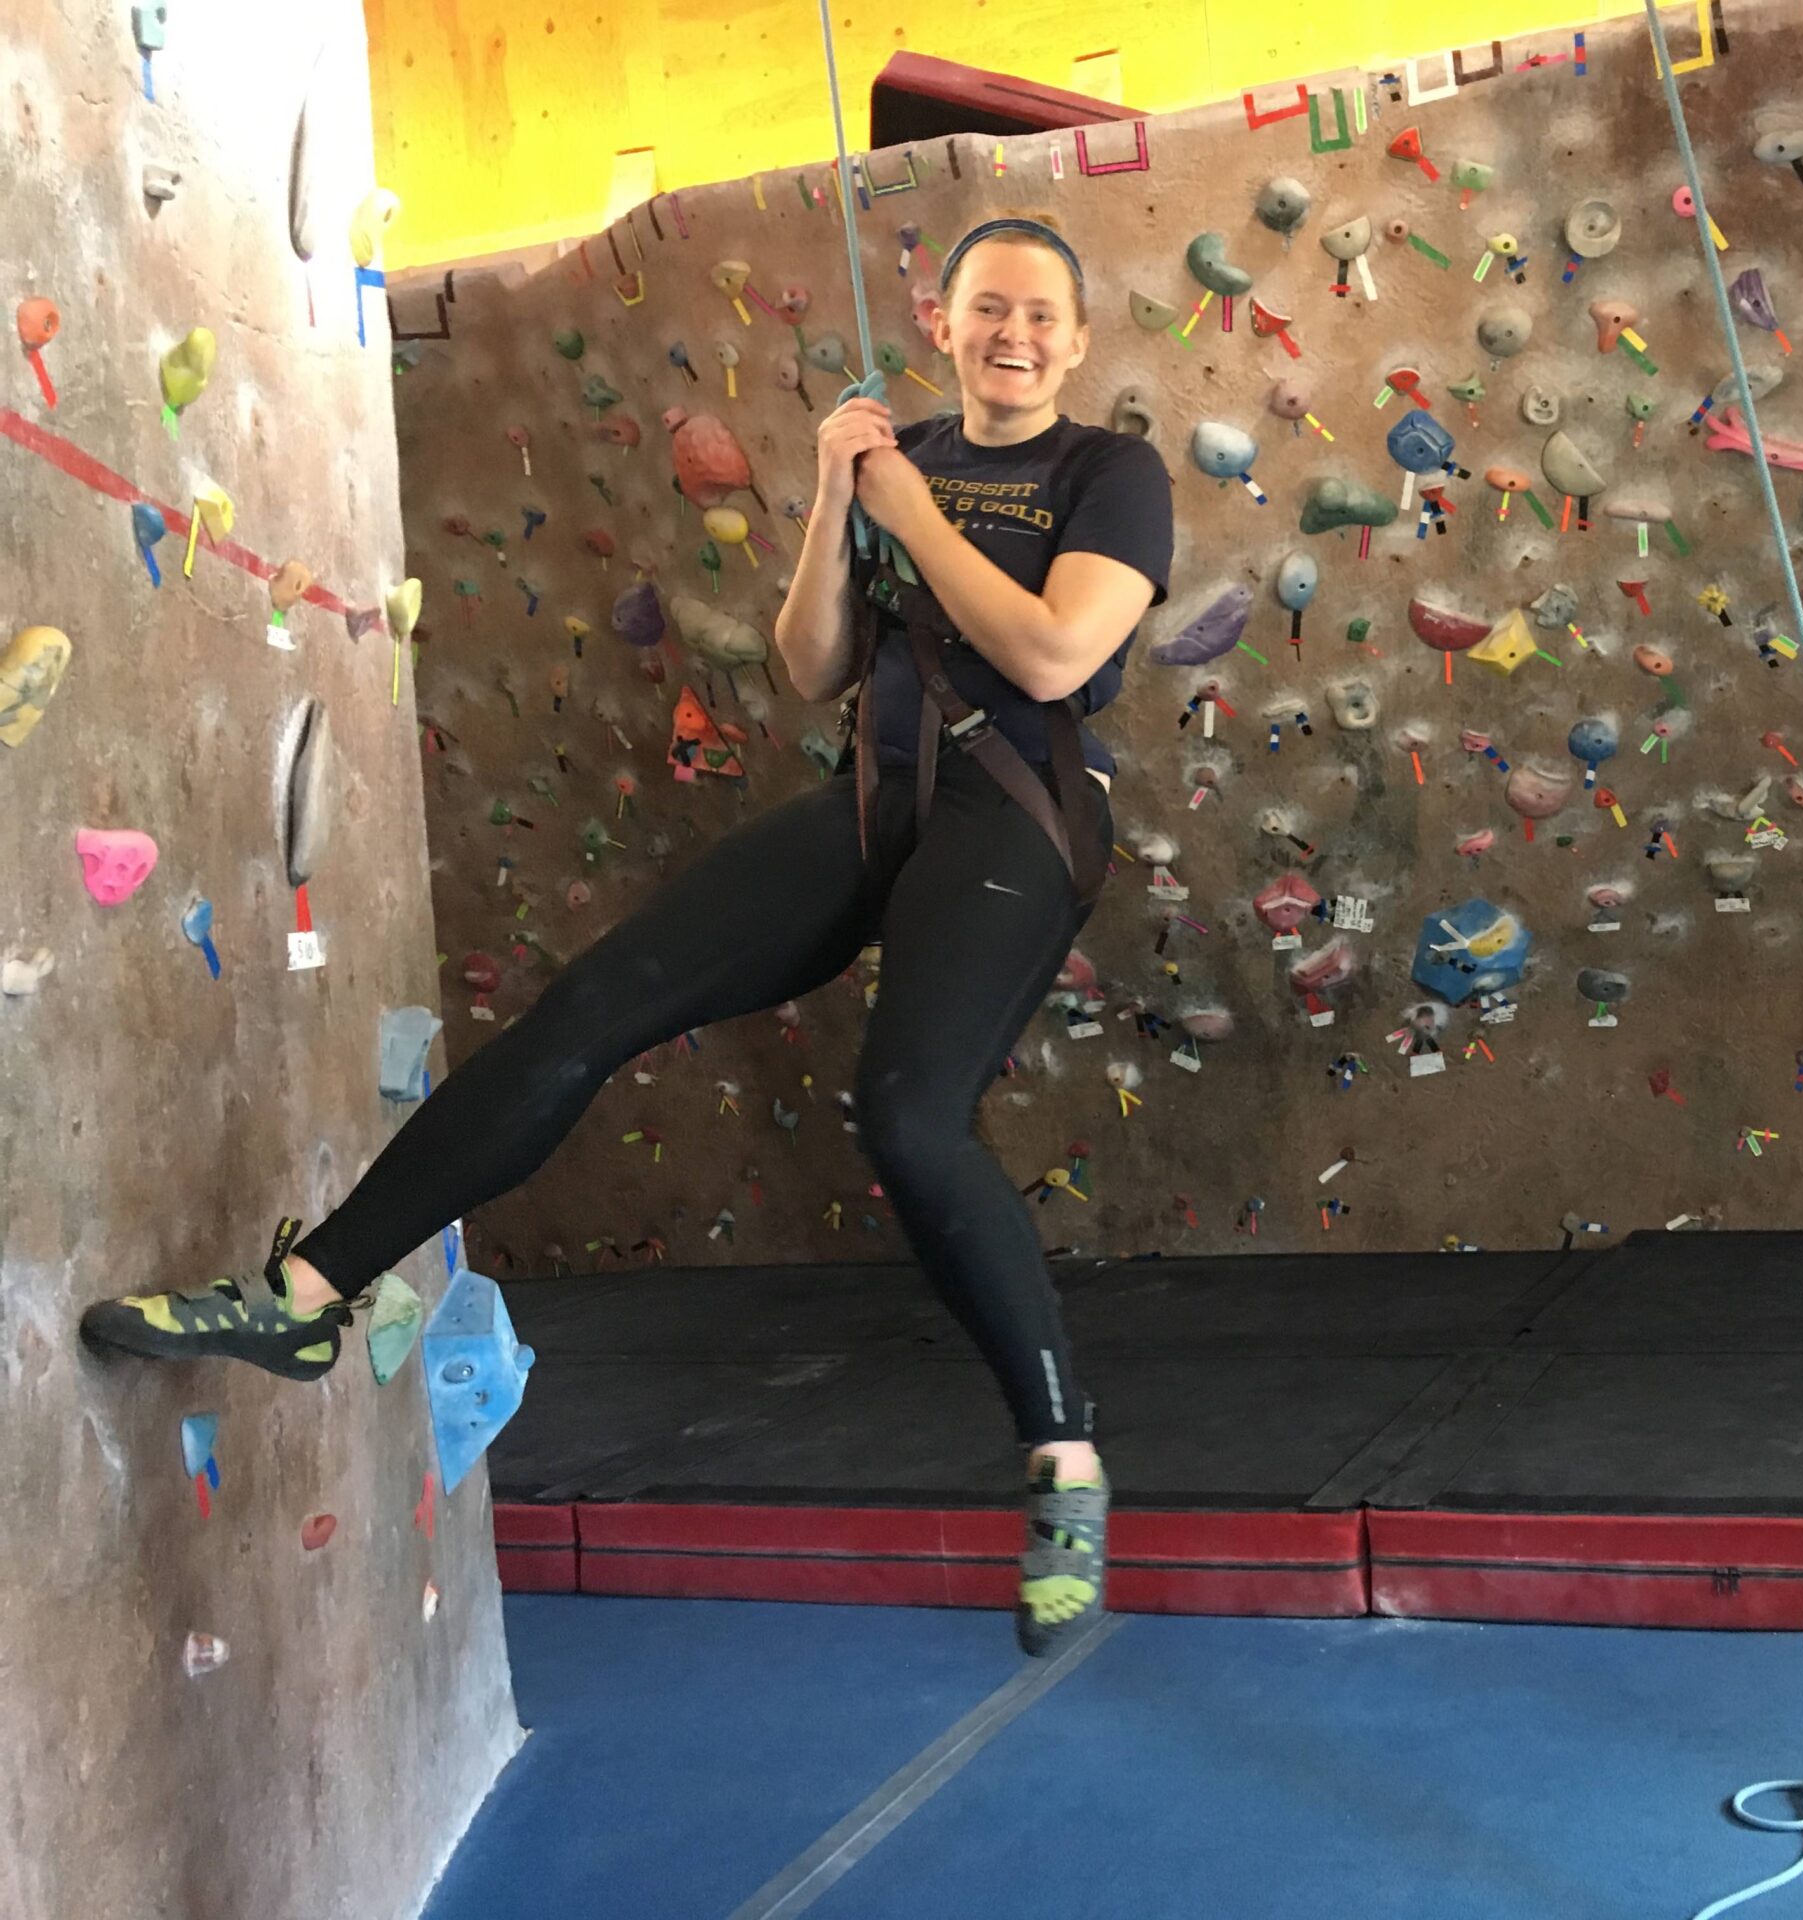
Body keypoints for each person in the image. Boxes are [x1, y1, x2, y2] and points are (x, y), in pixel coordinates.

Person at [82, 212, 1173, 1659]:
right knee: (586, 1011)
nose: (1014, 334)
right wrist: (832, 504)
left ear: (1077, 339)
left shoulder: (1111, 473)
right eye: (989, 309)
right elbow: (810, 666)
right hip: (871, 795)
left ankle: (1063, 1462)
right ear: (947, 322)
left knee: (908, 1113)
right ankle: (302, 1294)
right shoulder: (895, 452)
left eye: (1041, 313)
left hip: (1016, 813)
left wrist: (906, 513)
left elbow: (1052, 653)